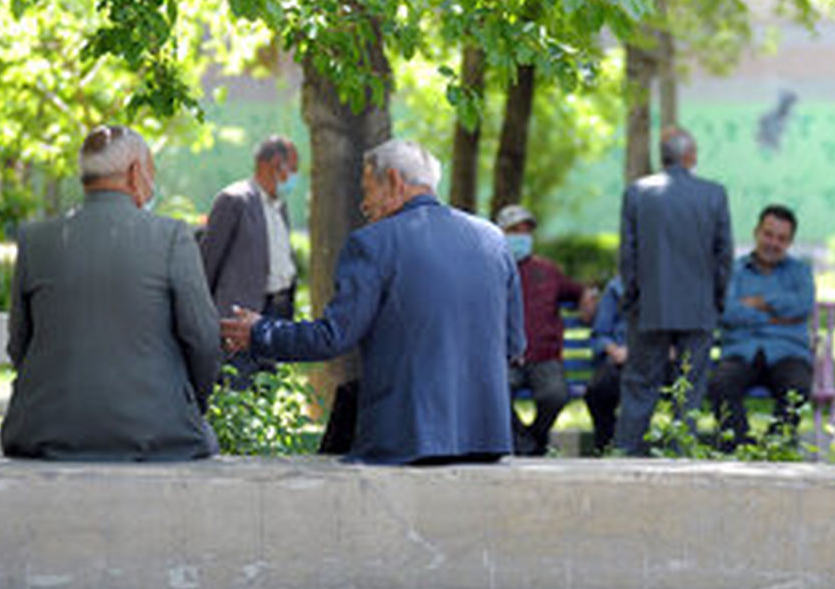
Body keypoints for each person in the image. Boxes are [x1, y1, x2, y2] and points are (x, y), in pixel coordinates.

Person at [221, 139, 524, 465]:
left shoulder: (373, 244)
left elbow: (333, 337)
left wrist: (259, 332)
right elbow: (514, 344)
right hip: (486, 440)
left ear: (393, 180)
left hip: (406, 440)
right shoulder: (493, 240)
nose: (365, 206)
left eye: (367, 191)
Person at [1, 125, 221, 460]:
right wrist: (192, 405)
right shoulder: (172, 237)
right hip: (158, 434)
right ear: (135, 173)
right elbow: (204, 340)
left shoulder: (35, 240)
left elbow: (19, 346)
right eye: (151, 171)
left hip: (41, 435)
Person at [615, 127, 733, 455]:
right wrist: (717, 300)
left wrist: (632, 299)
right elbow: (723, 255)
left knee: (640, 387)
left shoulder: (637, 193)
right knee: (690, 391)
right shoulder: (714, 194)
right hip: (698, 309)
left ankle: (627, 456)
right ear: (689, 156)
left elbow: (628, 256)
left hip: (650, 307)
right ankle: (682, 459)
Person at [708, 205, 816, 450]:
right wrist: (775, 318)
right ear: (756, 232)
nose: (773, 243)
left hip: (788, 352)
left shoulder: (800, 271)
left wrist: (761, 302)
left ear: (790, 242)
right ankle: (741, 449)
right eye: (768, 234)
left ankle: (773, 450)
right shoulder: (733, 270)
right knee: (720, 385)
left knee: (797, 389)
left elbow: (802, 305)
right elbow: (727, 310)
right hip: (741, 351)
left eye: (782, 239)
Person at [200, 135, 300, 388]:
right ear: (276, 164)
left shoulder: (280, 206)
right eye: (294, 169)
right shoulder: (234, 200)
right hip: (242, 315)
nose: (295, 178)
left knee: (267, 387)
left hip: (277, 312)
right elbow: (208, 264)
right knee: (238, 387)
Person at [497, 204, 596, 456]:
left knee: (555, 395)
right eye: (514, 230)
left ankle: (533, 441)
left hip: (544, 358)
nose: (521, 236)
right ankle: (525, 445)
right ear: (500, 233)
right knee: (495, 394)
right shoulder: (490, 268)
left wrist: (588, 297)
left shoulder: (547, 270)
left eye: (526, 231)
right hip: (504, 357)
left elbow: (579, 291)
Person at [584, 274, 630, 453]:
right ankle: (606, 448)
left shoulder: (669, 284)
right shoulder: (616, 288)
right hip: (620, 360)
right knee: (597, 392)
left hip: (655, 361)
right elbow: (600, 333)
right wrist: (613, 350)